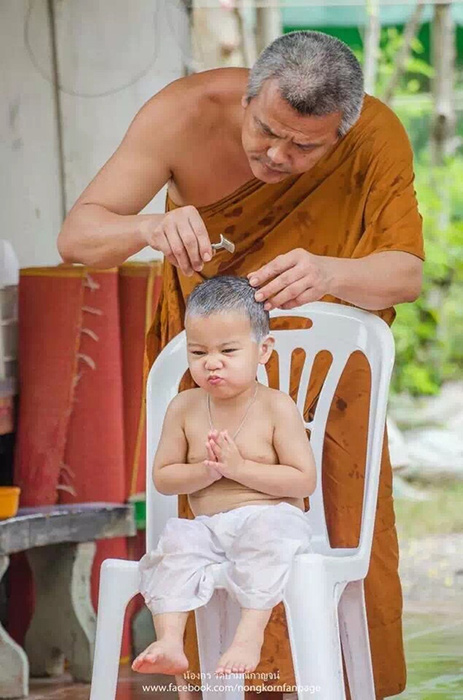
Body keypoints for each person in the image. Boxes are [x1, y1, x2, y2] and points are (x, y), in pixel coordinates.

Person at [58, 30, 424, 699]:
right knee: (210, 531)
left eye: (304, 147)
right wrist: (147, 228)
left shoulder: (376, 135)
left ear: (342, 133)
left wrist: (330, 271)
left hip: (322, 387)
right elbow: (78, 236)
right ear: (249, 94)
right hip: (210, 379)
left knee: (334, 543)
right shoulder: (185, 112)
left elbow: (403, 274)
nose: (276, 156)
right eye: (265, 131)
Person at [132, 275, 315, 681]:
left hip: (270, 520)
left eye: (227, 350)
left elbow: (303, 482)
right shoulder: (184, 407)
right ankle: (170, 640)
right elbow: (163, 477)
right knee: (176, 540)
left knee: (271, 531)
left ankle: (249, 633)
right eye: (198, 352)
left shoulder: (275, 407)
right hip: (210, 529)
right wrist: (204, 471)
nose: (211, 362)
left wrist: (240, 470)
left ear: (262, 350)